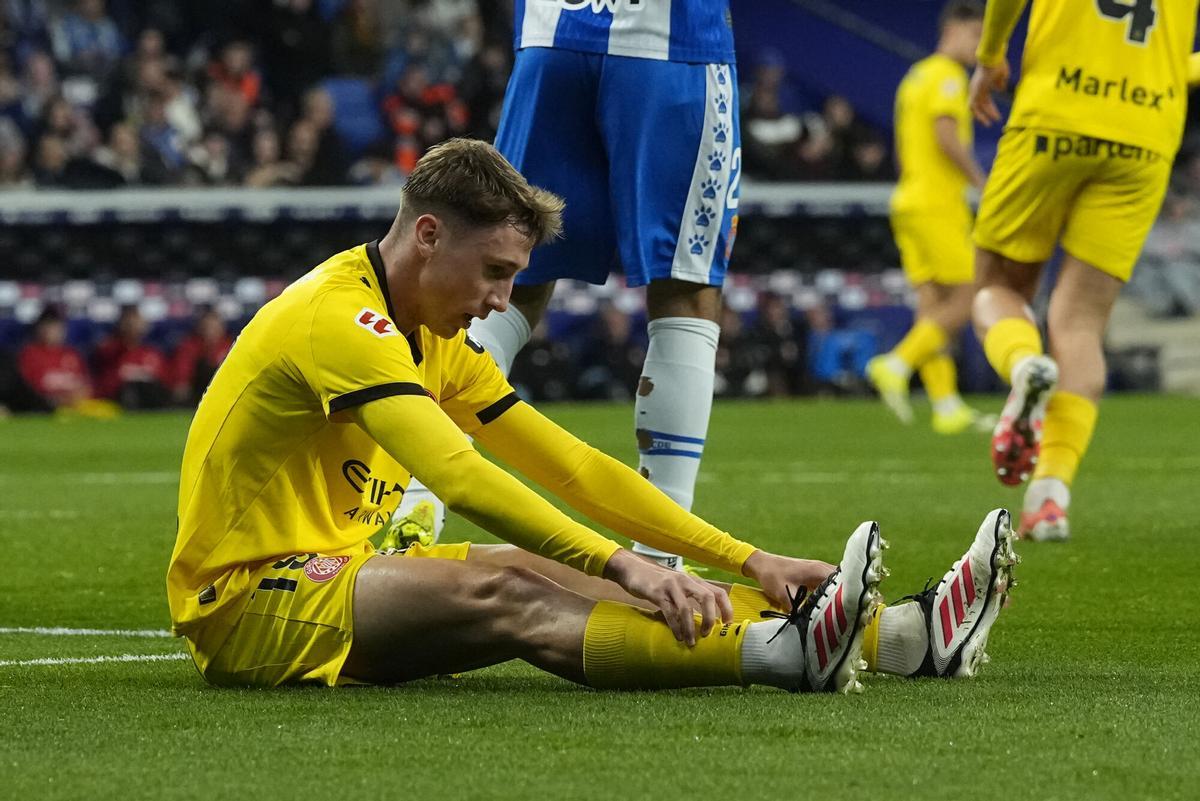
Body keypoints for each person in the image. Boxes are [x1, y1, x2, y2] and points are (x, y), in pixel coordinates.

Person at [166, 139, 1018, 692]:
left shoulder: (431, 334)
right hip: (246, 599)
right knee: (509, 586)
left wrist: (746, 557)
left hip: (344, 569)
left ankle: (900, 637)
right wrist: (626, 564)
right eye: (494, 271)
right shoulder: (339, 320)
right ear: (427, 234)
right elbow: (460, 476)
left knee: (545, 571)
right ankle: (783, 656)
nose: (503, 300)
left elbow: (571, 466)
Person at [393, 1, 743, 571]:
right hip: (670, 42)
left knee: (515, 278)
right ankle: (661, 557)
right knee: (685, 291)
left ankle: (413, 503)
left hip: (551, 37)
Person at [968, 0, 1200, 541]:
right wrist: (1171, 71)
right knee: (1081, 321)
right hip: (1144, 134)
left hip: (1055, 115)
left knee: (997, 286)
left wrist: (990, 55)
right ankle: (1050, 498)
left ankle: (1025, 367)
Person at [867, 1, 990, 435]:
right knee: (970, 295)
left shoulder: (915, 76)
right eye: (976, 35)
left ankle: (946, 405)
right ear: (952, 29)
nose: (981, 47)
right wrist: (981, 183)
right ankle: (897, 363)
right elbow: (945, 136)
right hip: (938, 202)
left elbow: (904, 151)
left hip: (908, 199)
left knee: (934, 307)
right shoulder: (948, 76)